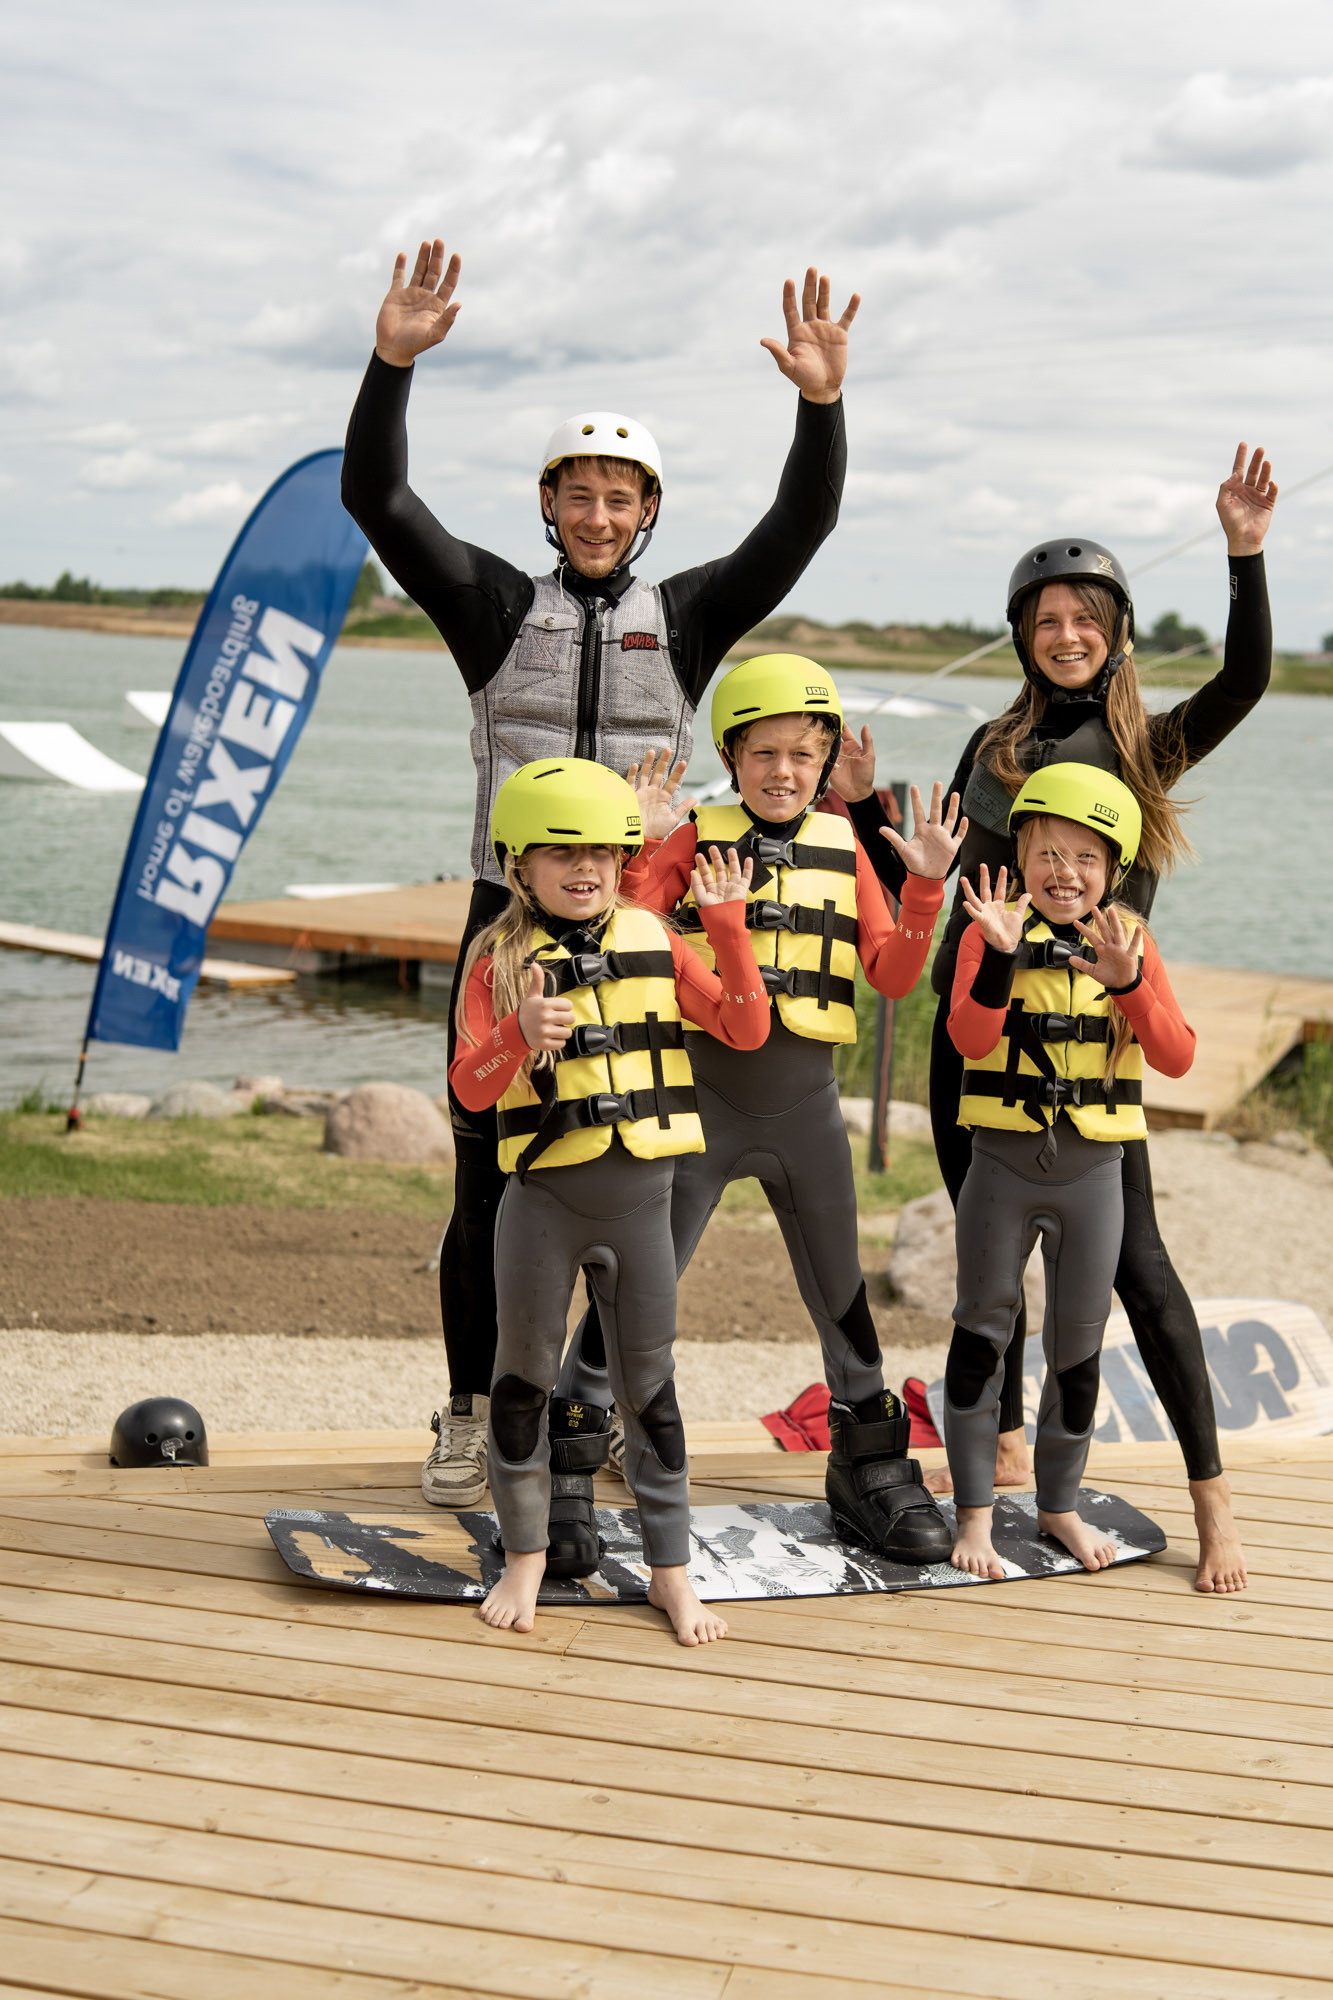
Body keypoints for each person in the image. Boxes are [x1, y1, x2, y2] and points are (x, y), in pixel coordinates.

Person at [341, 237, 859, 1509]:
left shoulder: (683, 619)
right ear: (549, 505)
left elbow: (800, 524)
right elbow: (378, 501)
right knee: (488, 1179)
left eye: (621, 495)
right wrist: (389, 365)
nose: (598, 513)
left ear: (647, 512)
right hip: (503, 919)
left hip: (640, 926)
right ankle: (474, 1414)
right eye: (577, 492)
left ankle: (601, 1412)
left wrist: (820, 404)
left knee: (634, 1171)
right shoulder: (489, 607)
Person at [833, 442, 1277, 1592]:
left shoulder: (1148, 744)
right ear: (1024, 632)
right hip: (973, 1031)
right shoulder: (999, 748)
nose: (1064, 632)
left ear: (1115, 630)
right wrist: (864, 809)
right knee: (994, 1279)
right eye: (1045, 617)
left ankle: (1210, 1500)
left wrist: (1243, 553)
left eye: (1085, 615)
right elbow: (959, 865)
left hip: (1095, 1046)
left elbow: (1243, 681)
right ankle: (1009, 1474)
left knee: (1142, 1272)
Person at [560, 654, 965, 1562]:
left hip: (807, 1114)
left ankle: (868, 1466)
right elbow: (615, 931)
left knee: (842, 1295)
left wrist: (927, 888)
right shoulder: (693, 839)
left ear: (826, 763)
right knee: (634, 1285)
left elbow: (893, 973)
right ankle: (566, 1468)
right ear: (732, 756)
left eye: (802, 755)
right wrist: (636, 845)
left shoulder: (840, 844)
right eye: (763, 754)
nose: (783, 772)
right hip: (696, 1108)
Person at [450, 757, 768, 1643]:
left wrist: (730, 930)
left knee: (650, 1391)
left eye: (597, 847)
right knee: (520, 1384)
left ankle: (672, 1573)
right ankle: (525, 1556)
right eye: (558, 851)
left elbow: (744, 1027)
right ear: (518, 864)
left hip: (642, 1206)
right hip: (543, 1206)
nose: (581, 866)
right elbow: (470, 1092)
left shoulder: (656, 937)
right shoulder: (499, 957)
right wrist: (515, 1035)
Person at [944, 764, 1196, 1577]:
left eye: (1085, 858)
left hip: (1092, 1171)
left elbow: (1177, 1057)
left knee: (1077, 1347)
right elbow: (969, 1043)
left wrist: (1127, 986)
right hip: (1000, 1164)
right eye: (1046, 853)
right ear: (1019, 855)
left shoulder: (1129, 941)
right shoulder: (992, 931)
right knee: (982, 1333)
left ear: (1114, 870)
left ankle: (1058, 1505)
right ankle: (976, 1517)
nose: (1063, 872)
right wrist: (996, 958)